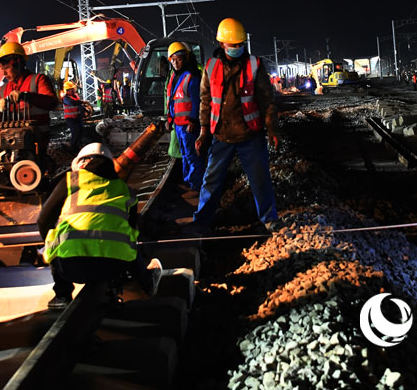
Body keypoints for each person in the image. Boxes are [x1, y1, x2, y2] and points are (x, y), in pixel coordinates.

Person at [38, 142, 162, 309]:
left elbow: (43, 220)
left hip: (70, 268)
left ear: (82, 163)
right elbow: (133, 231)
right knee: (127, 237)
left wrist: (50, 246)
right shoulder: (126, 190)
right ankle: (147, 282)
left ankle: (62, 295)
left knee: (54, 235)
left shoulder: (70, 182)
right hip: (115, 268)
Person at [192, 18, 283, 232]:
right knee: (211, 182)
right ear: (222, 44)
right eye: (233, 45)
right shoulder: (211, 67)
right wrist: (204, 132)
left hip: (250, 134)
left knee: (260, 179)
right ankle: (201, 221)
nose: (237, 48)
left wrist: (272, 129)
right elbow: (205, 102)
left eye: (240, 44)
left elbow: (266, 101)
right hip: (221, 135)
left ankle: (270, 218)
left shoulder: (254, 65)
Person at [0, 42, 58, 166]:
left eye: (6, 68)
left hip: (37, 142)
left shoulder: (38, 80)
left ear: (19, 63)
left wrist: (27, 96)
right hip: (9, 144)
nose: (4, 74)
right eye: (2, 69)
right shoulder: (2, 90)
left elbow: (52, 103)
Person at [167, 42, 205, 193]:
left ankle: (197, 185)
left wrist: (193, 120)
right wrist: (169, 120)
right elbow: (172, 101)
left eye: (179, 59)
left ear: (186, 59)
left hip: (188, 125)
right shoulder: (175, 78)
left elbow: (197, 101)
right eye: (173, 60)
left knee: (192, 156)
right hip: (178, 124)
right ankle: (189, 181)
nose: (176, 63)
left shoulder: (192, 77)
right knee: (185, 155)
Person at [62, 80, 84, 152]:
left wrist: (83, 112)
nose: (74, 90)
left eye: (73, 89)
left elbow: (79, 106)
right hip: (70, 118)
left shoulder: (76, 96)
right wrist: (82, 102)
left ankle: (77, 146)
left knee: (80, 132)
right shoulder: (66, 98)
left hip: (77, 118)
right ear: (67, 90)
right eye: (72, 89)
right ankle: (72, 147)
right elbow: (72, 103)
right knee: (75, 132)